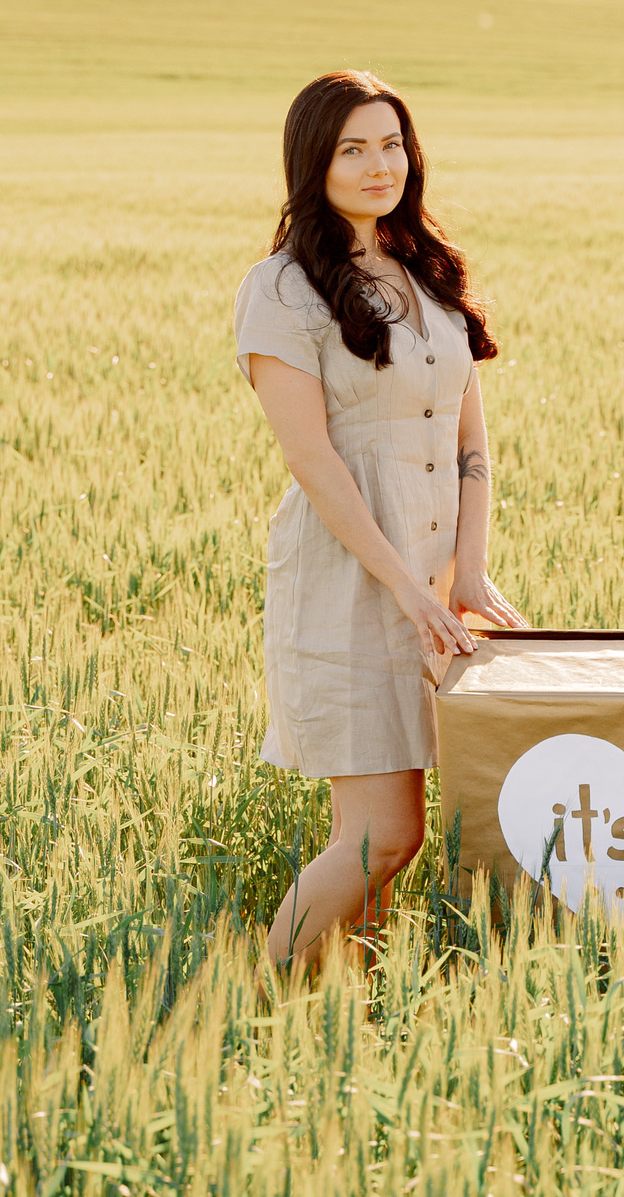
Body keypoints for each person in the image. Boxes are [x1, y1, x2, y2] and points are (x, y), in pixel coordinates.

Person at [235, 70, 528, 968]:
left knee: (392, 849)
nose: (378, 166)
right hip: (350, 584)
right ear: (313, 163)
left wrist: (467, 571)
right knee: (380, 836)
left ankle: (344, 1010)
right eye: (352, 149)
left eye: (392, 145)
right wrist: (405, 587)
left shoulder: (428, 273)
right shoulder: (282, 289)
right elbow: (312, 459)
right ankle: (248, 1000)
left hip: (433, 589)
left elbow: (469, 436)